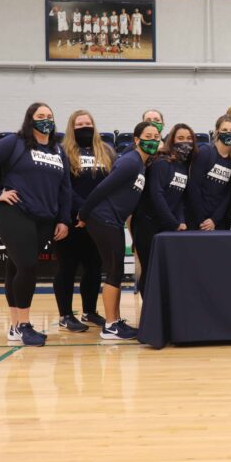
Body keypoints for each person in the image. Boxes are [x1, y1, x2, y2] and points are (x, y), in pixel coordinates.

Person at [0, 103, 71, 347]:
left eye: (49, 116)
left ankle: (15, 327)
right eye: (40, 116)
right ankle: (24, 325)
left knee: (16, 266)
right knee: (27, 265)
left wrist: (63, 219)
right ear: (30, 119)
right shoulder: (14, 142)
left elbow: (65, 189)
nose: (46, 120)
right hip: (14, 211)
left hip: (45, 216)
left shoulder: (59, 151)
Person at [77, 122, 160, 340]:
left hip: (113, 220)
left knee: (117, 270)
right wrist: (84, 214)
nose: (152, 140)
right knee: (114, 270)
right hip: (103, 218)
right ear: (136, 140)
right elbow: (103, 187)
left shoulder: (142, 164)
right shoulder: (131, 162)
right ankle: (111, 325)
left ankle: (115, 320)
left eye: (156, 136)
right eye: (147, 136)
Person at [53, 110, 114, 332]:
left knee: (94, 267)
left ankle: (89, 311)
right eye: (79, 124)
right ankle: (65, 315)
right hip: (71, 219)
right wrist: (82, 211)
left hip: (97, 220)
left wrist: (94, 213)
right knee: (66, 268)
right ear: (72, 127)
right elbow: (64, 186)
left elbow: (111, 185)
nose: (84, 127)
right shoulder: (62, 151)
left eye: (88, 123)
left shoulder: (106, 151)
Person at [131, 123, 195, 297]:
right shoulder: (161, 163)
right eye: (180, 138)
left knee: (165, 271)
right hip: (147, 224)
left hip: (166, 225)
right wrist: (174, 223)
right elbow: (156, 195)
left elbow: (180, 199)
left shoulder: (183, 167)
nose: (185, 142)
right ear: (171, 140)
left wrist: (180, 221)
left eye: (189, 139)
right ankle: (149, 316)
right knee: (149, 270)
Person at [186, 115, 231, 231]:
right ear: (217, 131)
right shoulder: (205, 152)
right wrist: (202, 220)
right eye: (225, 130)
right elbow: (194, 187)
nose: (229, 133)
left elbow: (228, 194)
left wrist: (214, 219)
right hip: (198, 219)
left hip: (218, 220)